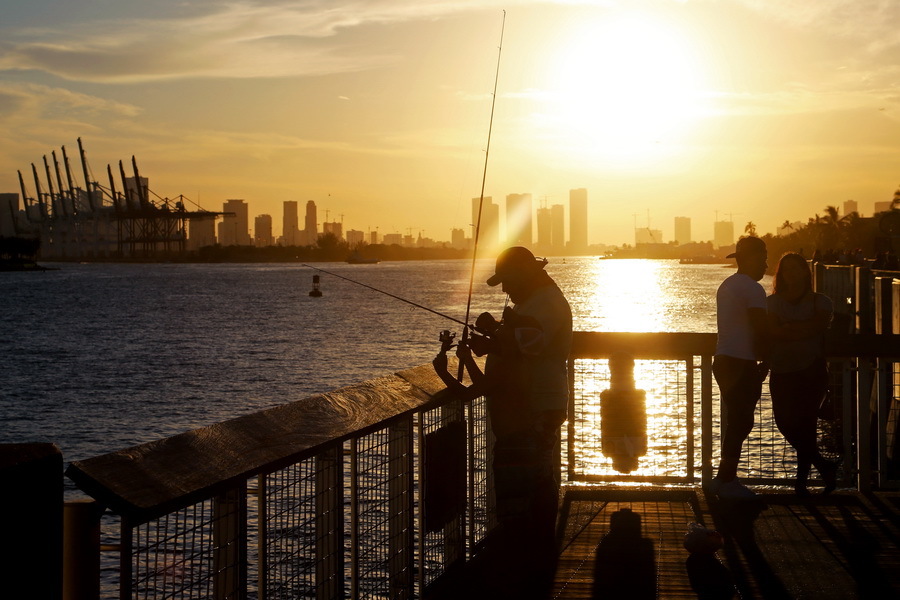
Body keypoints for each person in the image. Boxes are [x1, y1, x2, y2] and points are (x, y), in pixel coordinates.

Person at [432, 246, 572, 597]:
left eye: (507, 281)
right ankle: (533, 563)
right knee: (534, 485)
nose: (505, 290)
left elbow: (529, 347)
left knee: (520, 496)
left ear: (525, 273)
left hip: (530, 410)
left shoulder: (545, 303)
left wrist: (489, 342)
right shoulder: (534, 302)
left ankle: (525, 572)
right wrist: (491, 338)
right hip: (527, 409)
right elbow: (521, 343)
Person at [766, 252, 837, 495]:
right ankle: (824, 466)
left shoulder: (821, 301)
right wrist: (799, 329)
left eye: (796, 268)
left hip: (811, 370)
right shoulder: (772, 302)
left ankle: (801, 484)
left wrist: (788, 328)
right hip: (781, 369)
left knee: (806, 425)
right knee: (784, 422)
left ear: (805, 272)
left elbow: (816, 326)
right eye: (787, 269)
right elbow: (773, 332)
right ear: (781, 274)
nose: (792, 273)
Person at [709, 236, 769, 499]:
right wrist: (766, 362)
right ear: (750, 259)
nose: (765, 265)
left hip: (723, 359)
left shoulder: (728, 285)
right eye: (763, 259)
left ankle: (723, 478)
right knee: (741, 421)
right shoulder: (754, 290)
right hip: (740, 362)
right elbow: (760, 329)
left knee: (737, 421)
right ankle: (726, 480)